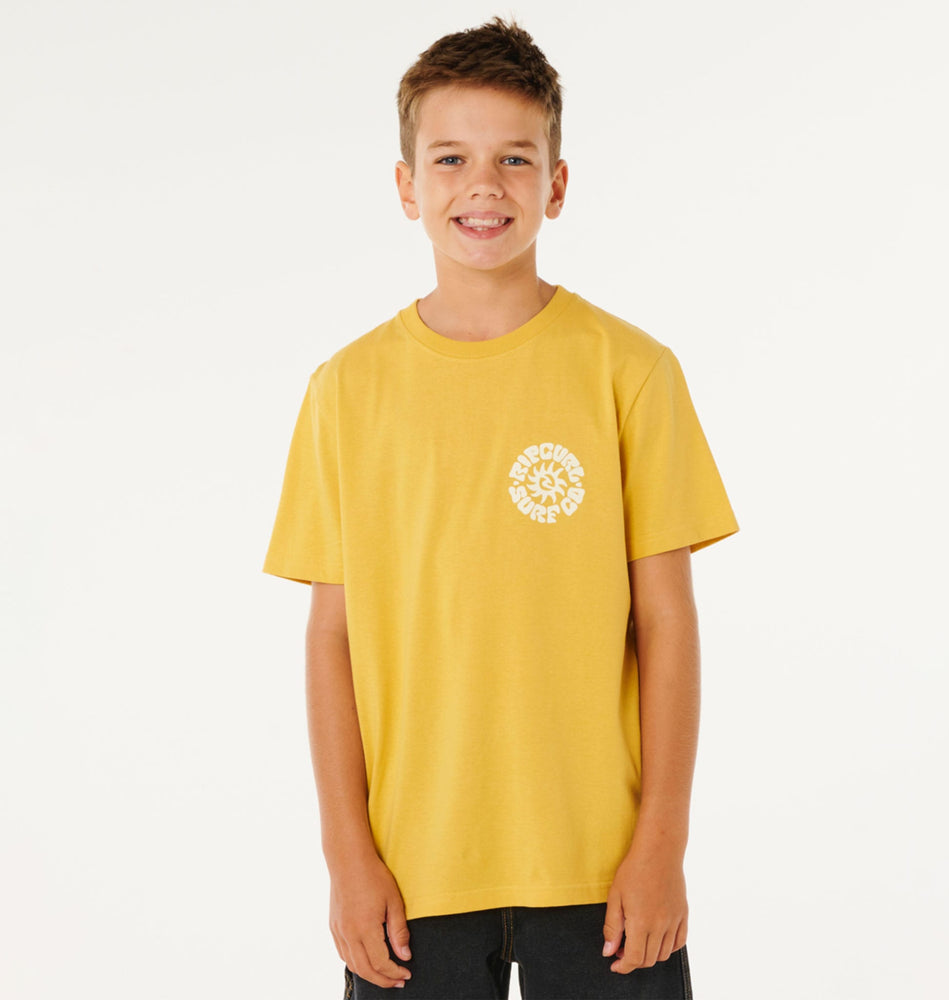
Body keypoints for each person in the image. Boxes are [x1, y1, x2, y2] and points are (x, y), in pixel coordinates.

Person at [264, 17, 738, 1000]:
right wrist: (347, 858)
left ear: (556, 184)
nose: (483, 185)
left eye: (514, 158)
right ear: (407, 186)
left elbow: (667, 621)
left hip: (603, 869)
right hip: (413, 873)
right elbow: (330, 637)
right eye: (451, 158)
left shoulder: (630, 372)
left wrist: (662, 842)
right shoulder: (345, 391)